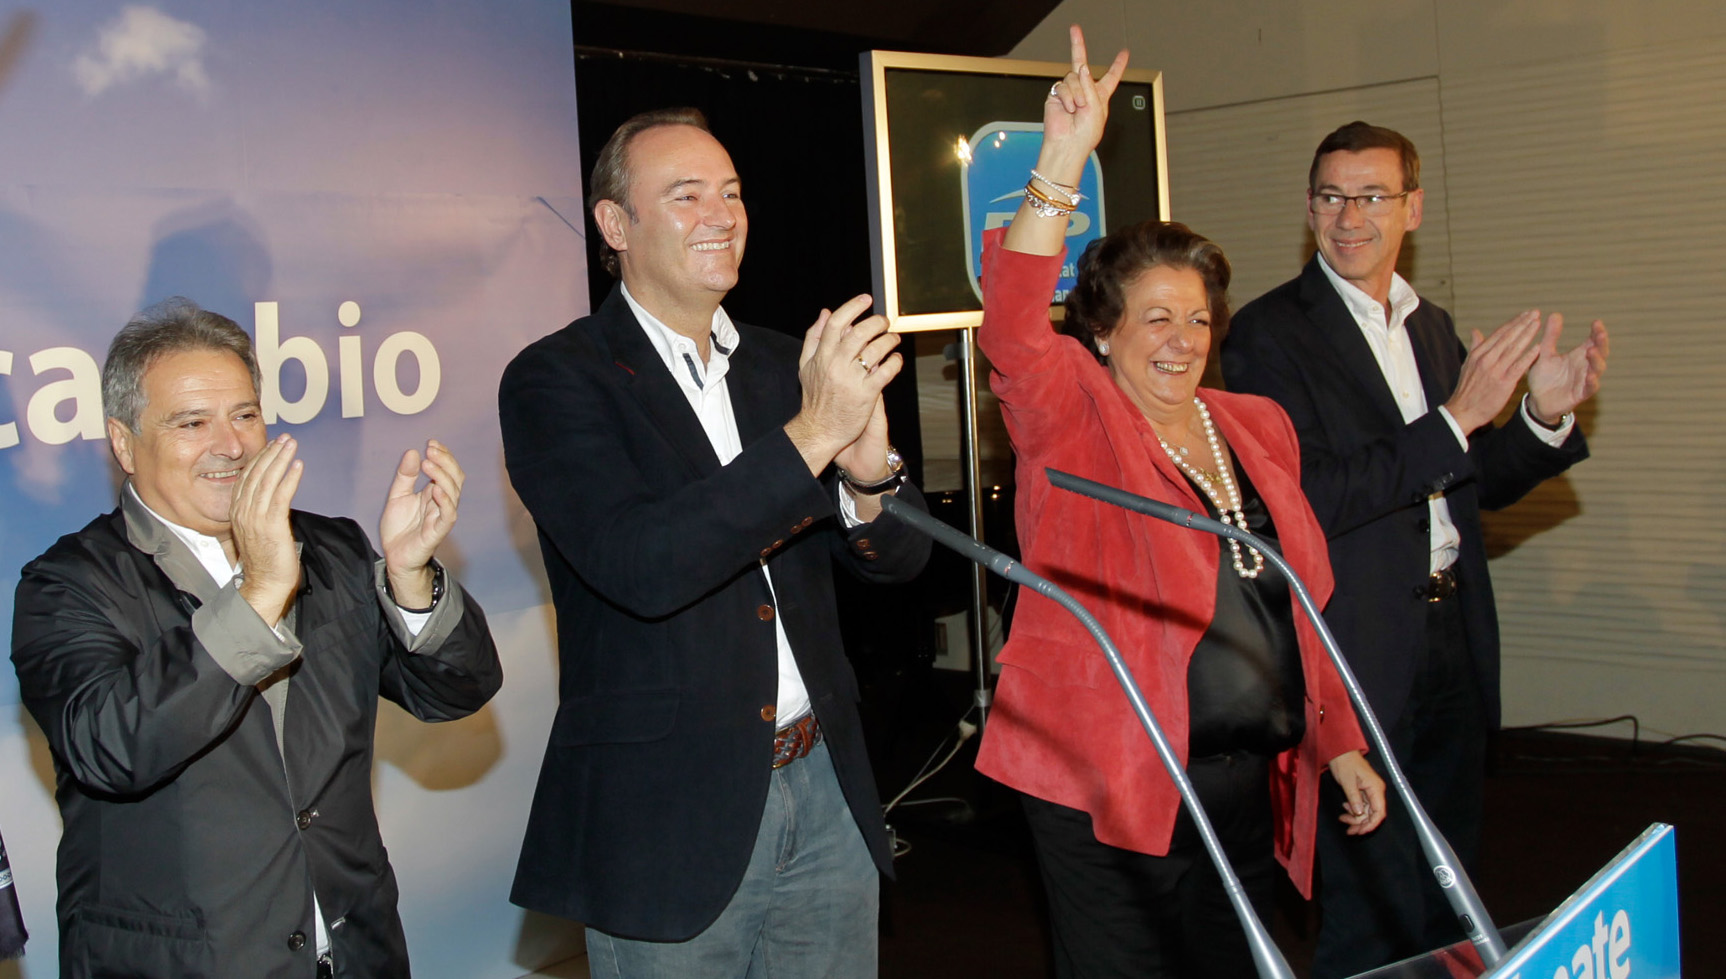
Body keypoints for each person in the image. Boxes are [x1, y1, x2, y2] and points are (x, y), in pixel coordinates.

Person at [971, 28, 1386, 978]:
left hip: (1245, 785)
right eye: (1155, 317)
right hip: (1110, 784)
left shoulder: (1255, 425)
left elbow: (1293, 613)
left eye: (1199, 317)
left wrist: (1338, 746)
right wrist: (1063, 158)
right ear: (1104, 333)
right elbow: (1013, 326)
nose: (1182, 337)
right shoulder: (1076, 421)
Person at [499, 107, 930, 977]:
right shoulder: (556, 379)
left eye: (731, 193)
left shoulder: (785, 366)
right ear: (614, 226)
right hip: (668, 811)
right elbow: (644, 565)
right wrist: (814, 435)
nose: (721, 214)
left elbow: (899, 560)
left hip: (826, 786)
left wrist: (866, 467)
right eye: (687, 194)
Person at [10, 299, 502, 979]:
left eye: (245, 414)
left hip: (358, 956)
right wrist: (258, 595)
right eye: (192, 422)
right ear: (124, 444)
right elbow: (110, 746)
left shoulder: (329, 546)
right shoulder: (66, 585)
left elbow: (458, 690)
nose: (232, 443)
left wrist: (411, 578)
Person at [1221, 121, 1609, 976]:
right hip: (1359, 654)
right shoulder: (1268, 334)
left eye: (1372, 196)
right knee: (1370, 914)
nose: (1348, 216)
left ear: (1414, 208)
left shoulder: (1428, 325)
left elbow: (1465, 481)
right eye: (1331, 196)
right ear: (1309, 207)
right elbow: (1310, 498)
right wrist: (1458, 419)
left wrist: (1541, 419)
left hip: (1452, 642)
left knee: (1447, 897)